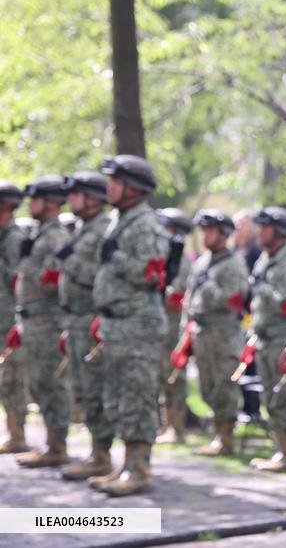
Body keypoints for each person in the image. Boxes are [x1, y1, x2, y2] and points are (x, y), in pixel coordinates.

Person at [88, 155, 168, 496]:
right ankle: (125, 465)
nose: (110, 187)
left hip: (138, 325)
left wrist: (117, 257)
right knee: (118, 397)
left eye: (116, 182)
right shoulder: (119, 221)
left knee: (138, 397)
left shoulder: (145, 225)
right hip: (117, 325)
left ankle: (139, 470)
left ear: (134, 189)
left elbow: (151, 275)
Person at [57, 172, 116, 480]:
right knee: (82, 389)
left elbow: (101, 275)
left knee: (95, 389)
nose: (70, 199)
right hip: (75, 318)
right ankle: (96, 453)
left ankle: (102, 456)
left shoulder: (104, 228)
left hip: (92, 319)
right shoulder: (82, 228)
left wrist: (70, 262)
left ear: (94, 197)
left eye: (77, 193)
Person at [15, 176, 72, 468]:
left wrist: (26, 263)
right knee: (37, 383)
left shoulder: (55, 236)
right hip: (33, 320)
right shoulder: (40, 234)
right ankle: (51, 443)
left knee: (51, 383)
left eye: (35, 198)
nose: (30, 204)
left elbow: (53, 281)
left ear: (50, 203)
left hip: (49, 320)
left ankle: (58, 446)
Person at [186, 209, 249, 457]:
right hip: (202, 332)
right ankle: (217, 434)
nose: (205, 236)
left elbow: (234, 299)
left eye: (210, 231)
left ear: (223, 234)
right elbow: (191, 298)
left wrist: (210, 284)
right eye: (203, 231)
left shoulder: (233, 264)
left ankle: (225, 439)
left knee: (223, 386)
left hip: (223, 333)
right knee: (206, 386)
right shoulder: (201, 262)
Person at [247, 206, 286, 472]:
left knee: (283, 397)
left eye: (265, 227)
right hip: (264, 339)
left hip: (281, 339)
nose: (260, 232)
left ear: (279, 232)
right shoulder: (265, 260)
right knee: (270, 397)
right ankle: (281, 450)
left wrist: (264, 288)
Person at [156, 207, 194, 444]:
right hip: (160, 325)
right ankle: (166, 423)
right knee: (161, 374)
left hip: (173, 327)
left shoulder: (181, 262)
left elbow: (176, 295)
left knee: (173, 376)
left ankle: (176, 427)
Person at [0, 182, 29, 454]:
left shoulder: (13, 239)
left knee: (12, 380)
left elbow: (17, 281)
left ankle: (18, 435)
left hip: (10, 320)